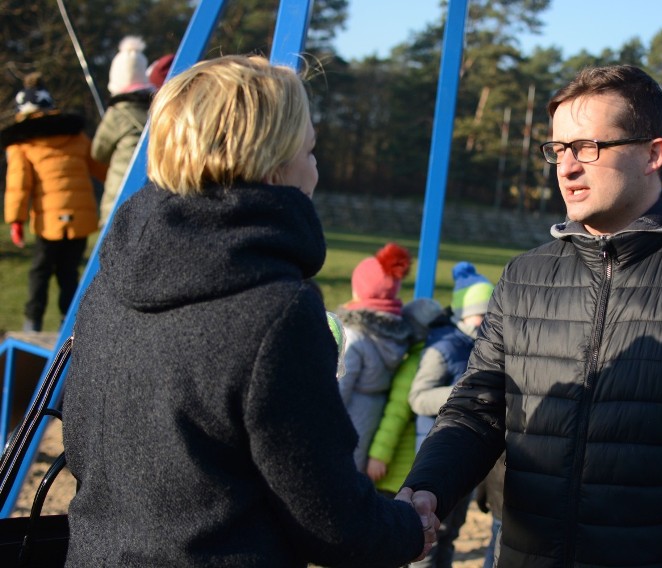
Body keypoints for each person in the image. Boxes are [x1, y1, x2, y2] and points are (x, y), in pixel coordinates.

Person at [400, 65, 662, 567]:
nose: (566, 167)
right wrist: (427, 486)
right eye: (559, 149)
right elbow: (477, 409)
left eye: (588, 147)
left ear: (653, 153)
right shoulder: (525, 275)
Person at [62, 55, 436, 567]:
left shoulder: (109, 284)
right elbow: (327, 519)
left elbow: (85, 452)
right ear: (272, 165)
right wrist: (407, 530)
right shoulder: (276, 313)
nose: (316, 169)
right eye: (309, 150)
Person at [2, 72, 106, 332]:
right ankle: (71, 327)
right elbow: (102, 168)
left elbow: (19, 185)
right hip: (81, 218)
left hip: (49, 220)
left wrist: (16, 220)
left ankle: (32, 324)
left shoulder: (22, 144)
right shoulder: (77, 136)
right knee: (69, 273)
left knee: (40, 272)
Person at [406, 261, 494, 568]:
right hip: (437, 449)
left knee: (451, 533)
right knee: (429, 532)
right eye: (480, 313)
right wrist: (464, 391)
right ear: (462, 311)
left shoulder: (483, 344)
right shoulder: (441, 347)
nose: (485, 321)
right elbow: (417, 397)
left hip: (467, 457)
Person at [337, 242, 414, 473]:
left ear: (359, 291)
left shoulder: (354, 336)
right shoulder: (397, 335)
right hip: (374, 415)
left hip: (348, 416)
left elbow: (340, 388)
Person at [366, 297, 445, 496]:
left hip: (395, 471)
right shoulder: (438, 360)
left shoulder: (412, 366)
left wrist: (378, 456)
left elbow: (396, 413)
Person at [92, 36, 154, 225]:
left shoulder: (116, 114)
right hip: (152, 195)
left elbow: (98, 152)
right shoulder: (156, 109)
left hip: (120, 195)